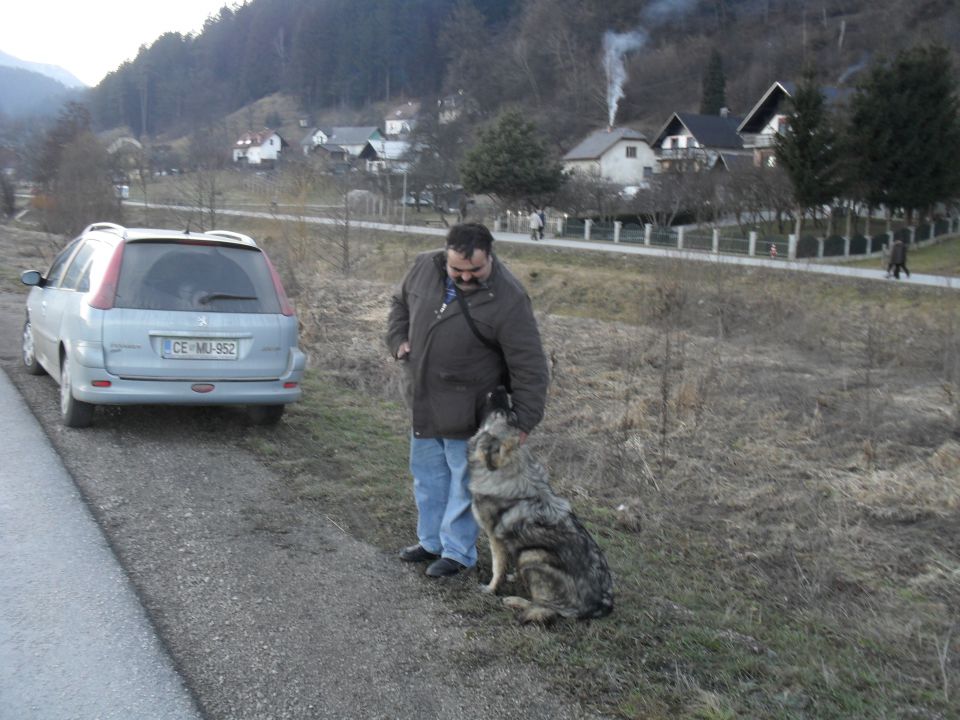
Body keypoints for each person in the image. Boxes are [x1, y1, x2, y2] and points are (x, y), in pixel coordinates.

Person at [386, 222, 550, 577]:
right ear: (445, 256)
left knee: (463, 484)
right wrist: (398, 339)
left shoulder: (509, 298)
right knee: (427, 477)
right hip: (425, 398)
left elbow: (529, 365)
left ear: (489, 257)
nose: (464, 277)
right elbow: (398, 305)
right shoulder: (423, 268)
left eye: (474, 270)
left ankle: (458, 553)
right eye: (456, 270)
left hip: (472, 406)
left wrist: (522, 421)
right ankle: (431, 542)